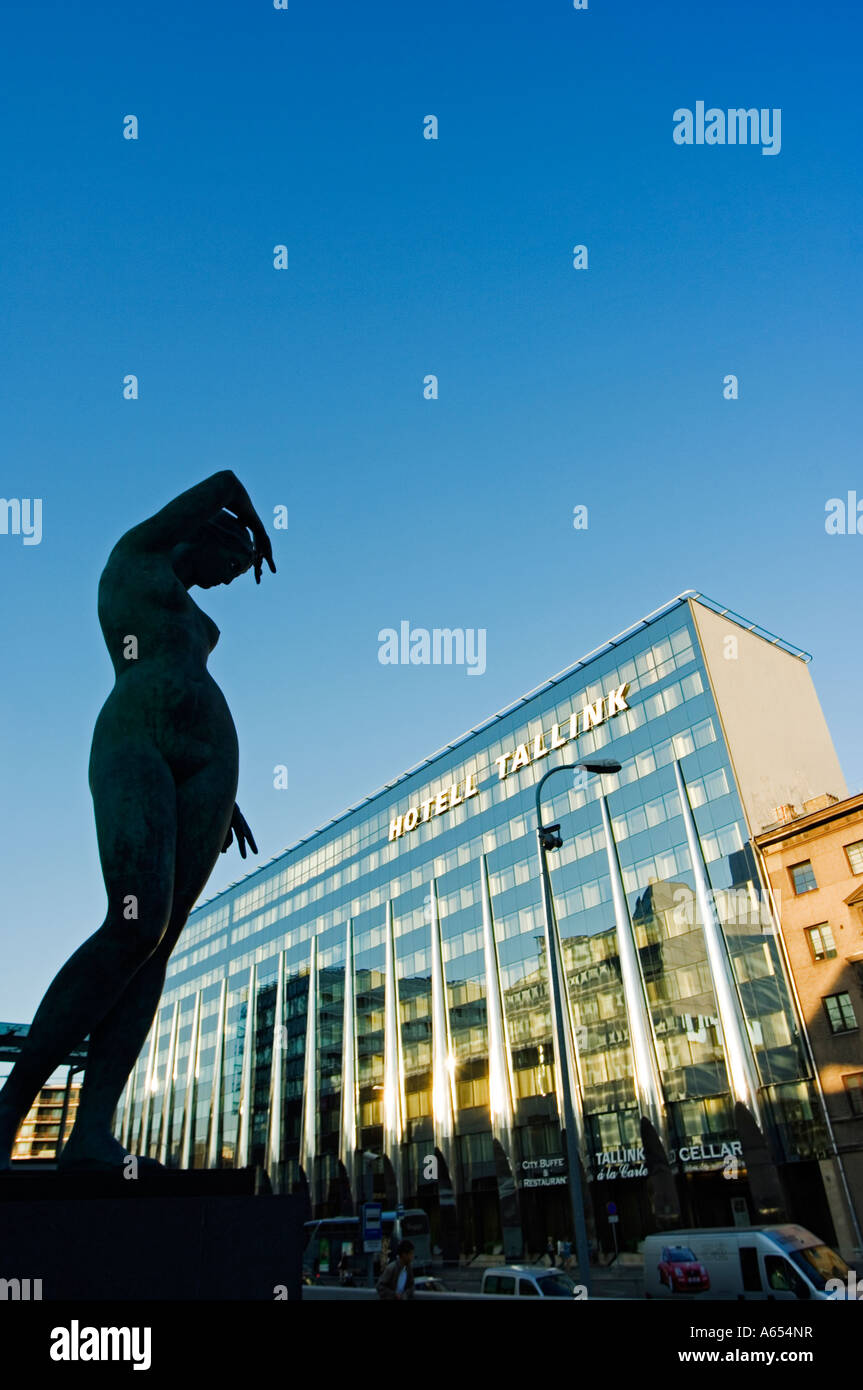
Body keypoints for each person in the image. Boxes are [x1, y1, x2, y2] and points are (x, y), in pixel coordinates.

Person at [0, 471, 275, 1171]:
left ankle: (91, 1131)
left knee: (160, 943)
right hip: (134, 739)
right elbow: (223, 479)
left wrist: (224, 802)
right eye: (231, 568)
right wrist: (257, 520)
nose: (225, 585)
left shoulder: (183, 600)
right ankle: (10, 1107)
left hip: (211, 762)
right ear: (212, 537)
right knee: (132, 925)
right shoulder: (136, 558)